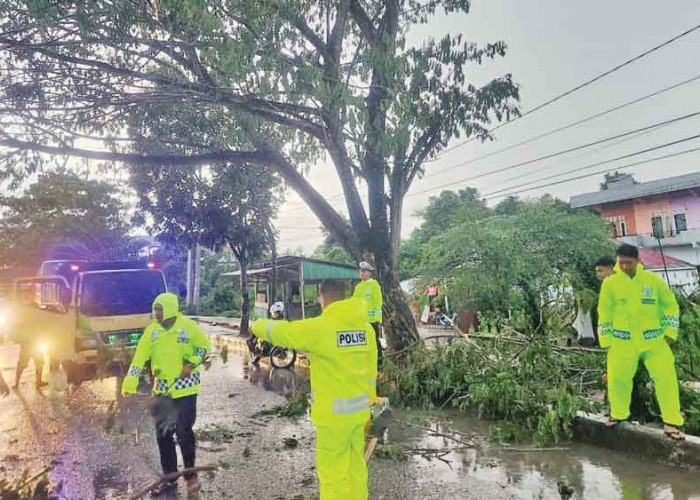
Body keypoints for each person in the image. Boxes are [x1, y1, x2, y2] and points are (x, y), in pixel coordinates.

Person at [251, 280, 377, 500]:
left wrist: (257, 326)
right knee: (356, 469)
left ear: (323, 298)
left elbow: (284, 332)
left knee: (332, 475)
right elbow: (371, 372)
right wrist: (370, 406)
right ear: (345, 296)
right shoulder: (366, 330)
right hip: (359, 415)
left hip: (333, 418)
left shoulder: (321, 327)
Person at [121, 293, 211, 496]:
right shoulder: (152, 332)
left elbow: (204, 348)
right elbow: (138, 360)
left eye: (160, 309)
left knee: (184, 431)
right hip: (162, 391)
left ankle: (191, 476)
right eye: (156, 309)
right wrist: (129, 383)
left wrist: (191, 364)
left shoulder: (188, 327)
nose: (157, 313)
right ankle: (169, 478)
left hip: (186, 389)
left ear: (170, 308)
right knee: (163, 435)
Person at [598, 244, 685, 440]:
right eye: (621, 263)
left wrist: (669, 333)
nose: (625, 266)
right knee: (618, 379)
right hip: (622, 341)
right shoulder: (610, 284)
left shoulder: (653, 281)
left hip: (654, 341)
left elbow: (670, 306)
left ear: (638, 261)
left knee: (666, 379)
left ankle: (672, 422)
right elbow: (605, 313)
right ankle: (618, 414)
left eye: (629, 263)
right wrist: (607, 340)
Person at [353, 261, 383, 367]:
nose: (362, 273)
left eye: (364, 271)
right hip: (361, 321)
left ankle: (379, 363)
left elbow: (378, 302)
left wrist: (377, 319)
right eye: (361, 271)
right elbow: (354, 302)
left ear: (369, 273)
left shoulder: (374, 285)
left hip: (372, 321)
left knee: (374, 341)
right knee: (362, 342)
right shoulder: (358, 287)